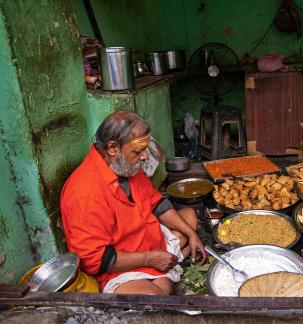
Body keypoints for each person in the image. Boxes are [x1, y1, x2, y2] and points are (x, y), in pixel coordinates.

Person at [61, 111, 207, 295]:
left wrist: (191, 234)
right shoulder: (84, 191)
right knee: (154, 298)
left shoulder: (125, 166)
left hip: (147, 241)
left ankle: (168, 266)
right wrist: (148, 259)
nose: (145, 156)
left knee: (189, 217)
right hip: (120, 265)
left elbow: (158, 205)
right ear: (112, 148)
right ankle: (167, 269)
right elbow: (94, 259)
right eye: (138, 151)